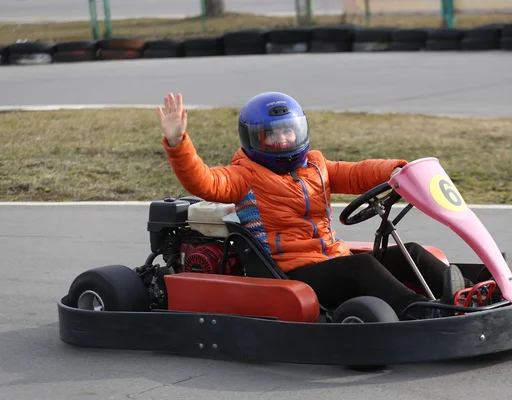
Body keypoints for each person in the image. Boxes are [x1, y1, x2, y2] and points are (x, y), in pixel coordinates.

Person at [158, 91, 473, 319]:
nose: (282, 141)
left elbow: (356, 172)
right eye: (272, 136)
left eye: (287, 132)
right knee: (362, 267)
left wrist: (396, 171)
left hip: (332, 258)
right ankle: (420, 313)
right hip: (294, 272)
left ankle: (471, 294)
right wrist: (178, 144)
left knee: (413, 252)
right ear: (255, 139)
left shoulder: (315, 166)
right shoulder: (244, 176)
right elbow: (204, 182)